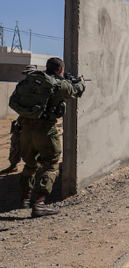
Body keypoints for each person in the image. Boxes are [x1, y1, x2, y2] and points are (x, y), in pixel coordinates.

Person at [17, 58, 85, 216]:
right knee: (51, 165)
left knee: (30, 165)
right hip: (45, 131)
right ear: (60, 69)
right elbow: (77, 91)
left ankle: (25, 200)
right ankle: (39, 204)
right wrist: (81, 82)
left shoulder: (32, 81)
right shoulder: (58, 84)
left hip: (25, 130)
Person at [1, 65, 38, 175]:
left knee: (37, 145)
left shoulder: (43, 87)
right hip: (24, 119)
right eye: (26, 73)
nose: (28, 76)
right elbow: (13, 102)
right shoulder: (22, 87)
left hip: (38, 120)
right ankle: (13, 165)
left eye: (30, 73)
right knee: (15, 141)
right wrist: (24, 111)